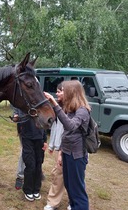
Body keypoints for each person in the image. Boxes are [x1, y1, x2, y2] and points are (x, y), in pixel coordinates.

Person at [44, 80, 90, 210]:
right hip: (68, 153)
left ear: (72, 93)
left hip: (77, 156)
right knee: (70, 186)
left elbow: (70, 126)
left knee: (77, 189)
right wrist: (61, 153)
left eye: (63, 90)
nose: (61, 92)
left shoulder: (82, 111)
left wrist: (54, 103)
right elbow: (67, 136)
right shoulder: (71, 109)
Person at [44, 83, 71, 210]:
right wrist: (52, 145)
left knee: (73, 176)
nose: (57, 93)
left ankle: (73, 202)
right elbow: (56, 127)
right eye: (57, 91)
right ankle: (53, 202)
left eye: (60, 91)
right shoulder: (58, 107)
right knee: (58, 174)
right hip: (60, 147)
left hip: (72, 148)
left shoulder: (74, 109)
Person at [12, 107, 47, 202]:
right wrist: (17, 117)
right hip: (27, 137)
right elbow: (18, 117)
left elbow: (44, 123)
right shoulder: (24, 104)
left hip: (39, 138)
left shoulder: (40, 103)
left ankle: (36, 189)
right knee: (30, 164)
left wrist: (45, 140)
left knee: (38, 164)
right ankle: (28, 190)